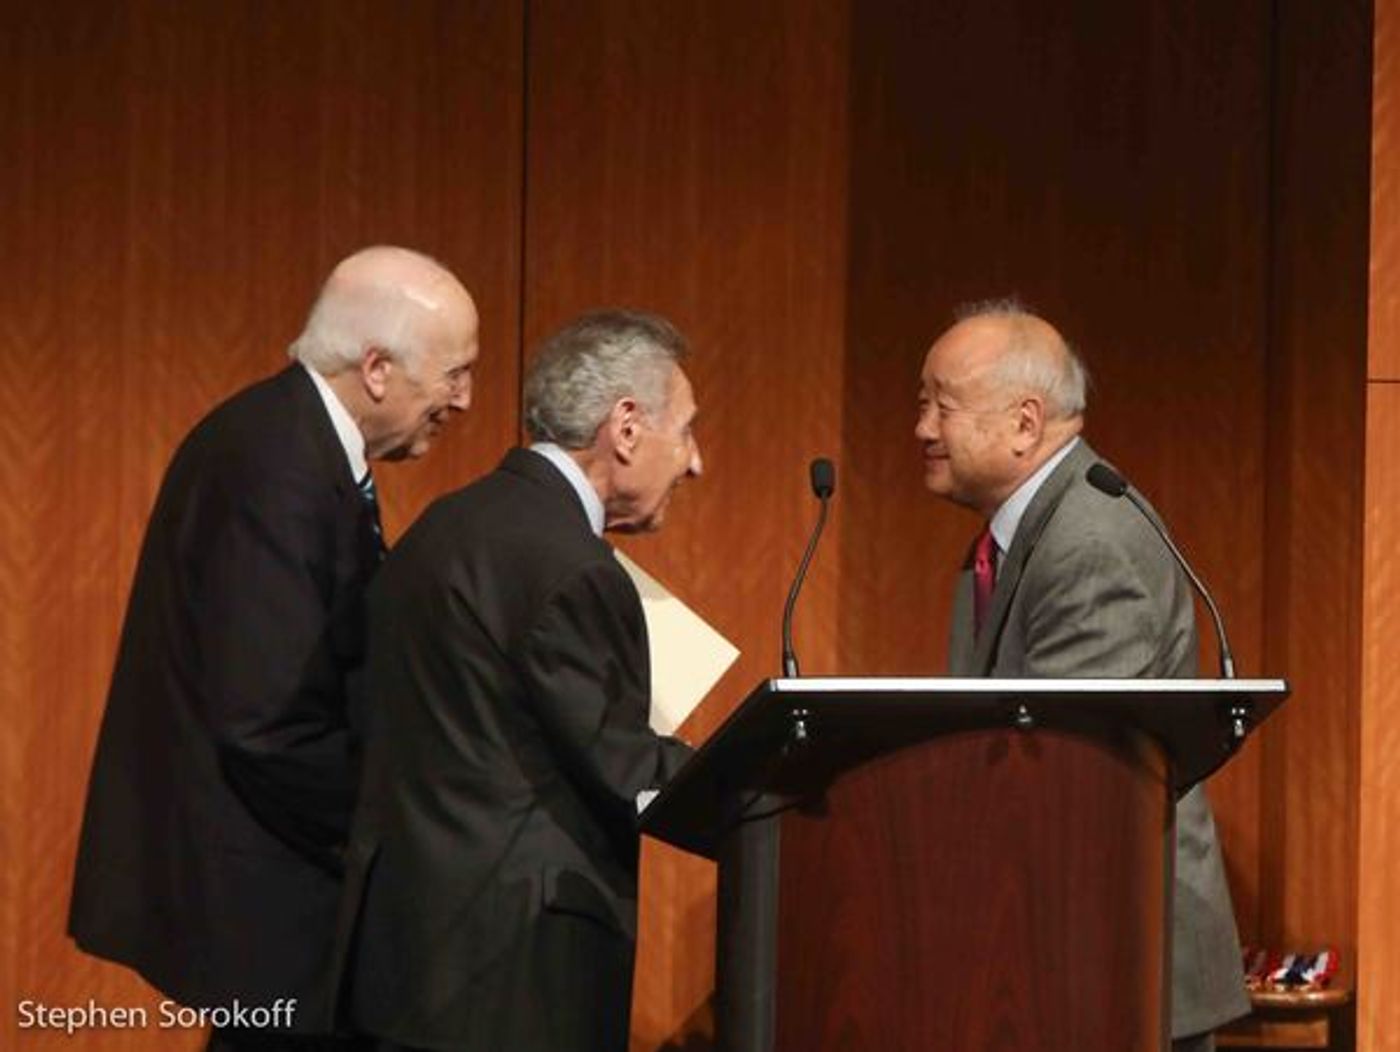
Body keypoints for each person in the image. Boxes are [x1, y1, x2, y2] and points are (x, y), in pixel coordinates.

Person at [69, 246, 481, 1050]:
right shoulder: (276, 467)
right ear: (376, 368)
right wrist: (395, 832)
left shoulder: (293, 444)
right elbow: (266, 721)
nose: (463, 400)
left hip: (268, 888)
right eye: (454, 372)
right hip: (268, 901)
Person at [334, 310, 699, 1052]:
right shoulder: (572, 566)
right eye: (687, 430)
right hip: (511, 978)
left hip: (404, 960)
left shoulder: (443, 526)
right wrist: (761, 798)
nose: (695, 462)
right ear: (625, 428)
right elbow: (622, 766)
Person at [915, 300, 1248, 1052]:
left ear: (1026, 424)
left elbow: (1068, 780)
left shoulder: (1087, 543)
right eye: (922, 401)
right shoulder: (1021, 536)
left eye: (943, 404)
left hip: (1109, 962)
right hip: (1061, 956)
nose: (923, 429)